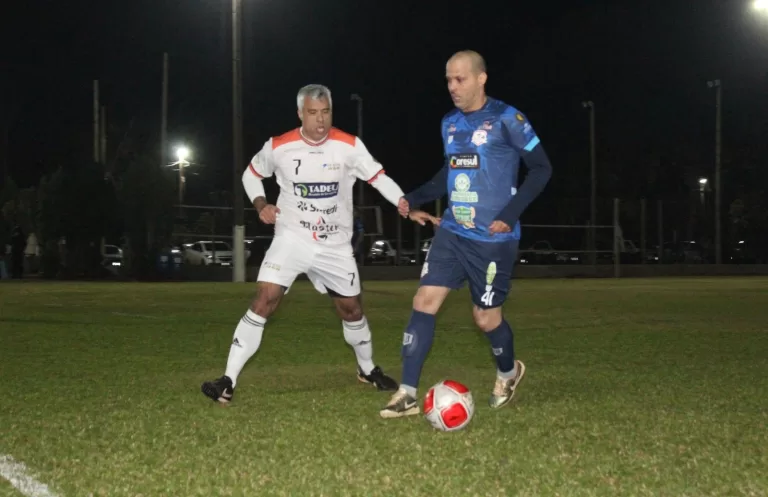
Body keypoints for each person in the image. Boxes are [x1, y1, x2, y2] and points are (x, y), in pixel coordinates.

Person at [202, 84, 405, 404]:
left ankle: (367, 369)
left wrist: (402, 200)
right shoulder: (279, 146)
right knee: (265, 297)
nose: (320, 120)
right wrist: (261, 204)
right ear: (300, 113)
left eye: (326, 112)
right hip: (292, 238)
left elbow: (378, 177)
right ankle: (227, 381)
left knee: (351, 310)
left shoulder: (349, 145)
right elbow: (250, 175)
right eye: (313, 113)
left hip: (335, 245)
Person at [380, 50, 553, 418]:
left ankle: (508, 373)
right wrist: (414, 198)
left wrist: (509, 215)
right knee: (424, 301)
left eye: (460, 79)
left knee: (485, 318)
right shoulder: (450, 123)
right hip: (452, 232)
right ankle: (407, 392)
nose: (452, 86)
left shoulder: (509, 119)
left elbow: (541, 169)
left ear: (481, 78)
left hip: (493, 240)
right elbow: (449, 172)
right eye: (448, 80)